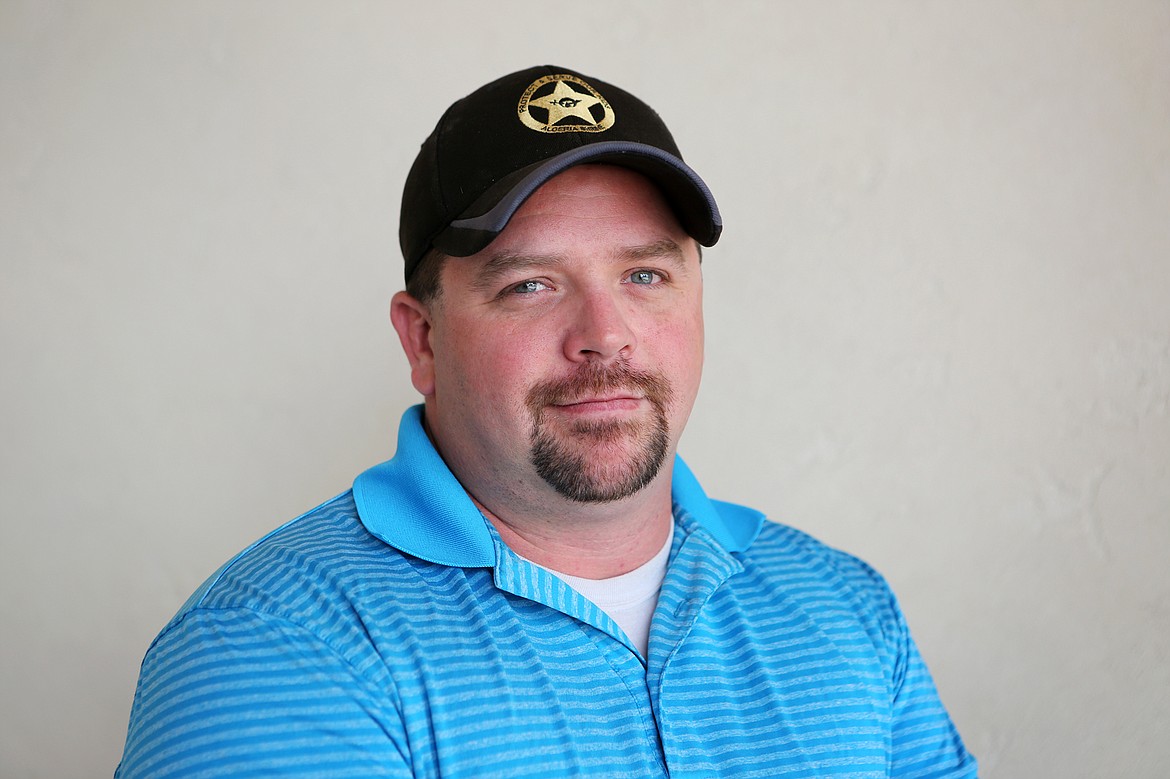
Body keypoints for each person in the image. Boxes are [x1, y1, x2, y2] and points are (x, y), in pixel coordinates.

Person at [116, 66, 977, 778]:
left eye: (645, 275)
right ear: (422, 339)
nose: (605, 335)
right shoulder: (271, 649)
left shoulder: (843, 610)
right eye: (531, 284)